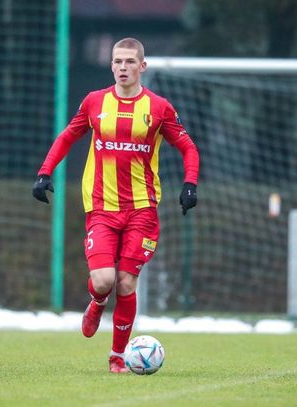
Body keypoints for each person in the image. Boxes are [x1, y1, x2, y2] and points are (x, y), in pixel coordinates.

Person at [32, 38, 199, 373]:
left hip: (142, 209)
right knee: (104, 281)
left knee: (126, 283)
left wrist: (190, 183)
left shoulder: (159, 108)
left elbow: (188, 147)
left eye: (129, 62)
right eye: (117, 61)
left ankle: (117, 357)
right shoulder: (95, 102)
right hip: (102, 207)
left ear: (142, 66)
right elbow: (67, 136)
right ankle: (97, 302)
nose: (123, 67)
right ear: (111, 65)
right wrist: (45, 172)